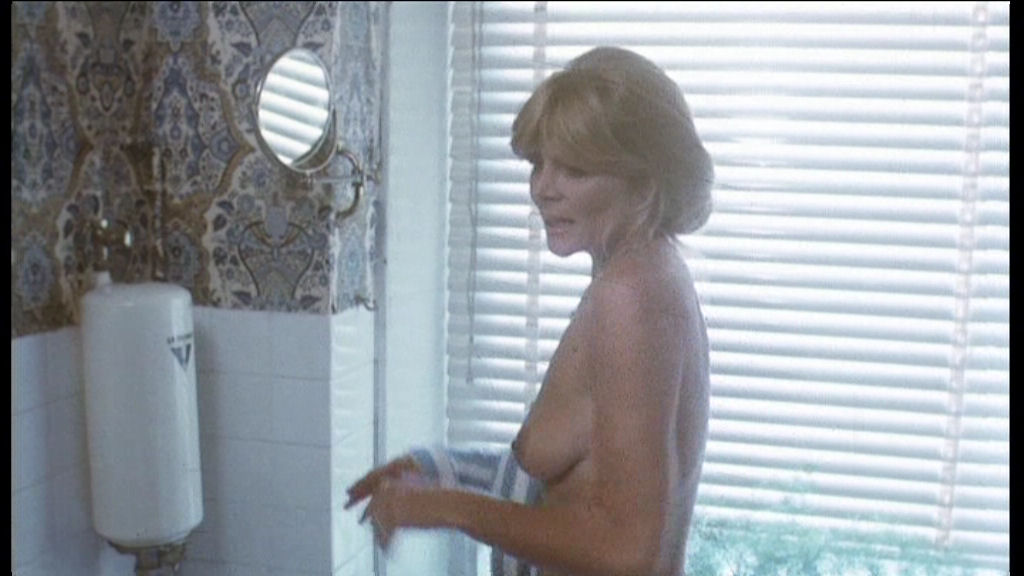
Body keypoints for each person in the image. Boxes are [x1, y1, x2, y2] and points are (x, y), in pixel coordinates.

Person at [345, 46, 714, 576]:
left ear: (644, 180)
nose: (543, 189)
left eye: (575, 170)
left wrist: (444, 508)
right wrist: (438, 470)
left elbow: (627, 549)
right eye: (540, 162)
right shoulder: (648, 274)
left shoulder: (629, 296)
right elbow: (568, 479)